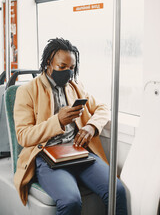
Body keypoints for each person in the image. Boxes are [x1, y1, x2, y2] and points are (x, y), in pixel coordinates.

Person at [14, 38, 128, 215]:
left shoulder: (75, 86)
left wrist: (91, 127)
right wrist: (57, 122)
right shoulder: (27, 91)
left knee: (117, 191)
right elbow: (23, 135)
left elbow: (103, 108)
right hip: (46, 155)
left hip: (78, 151)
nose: (68, 72)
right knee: (71, 201)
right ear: (47, 64)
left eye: (72, 68)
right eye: (62, 67)